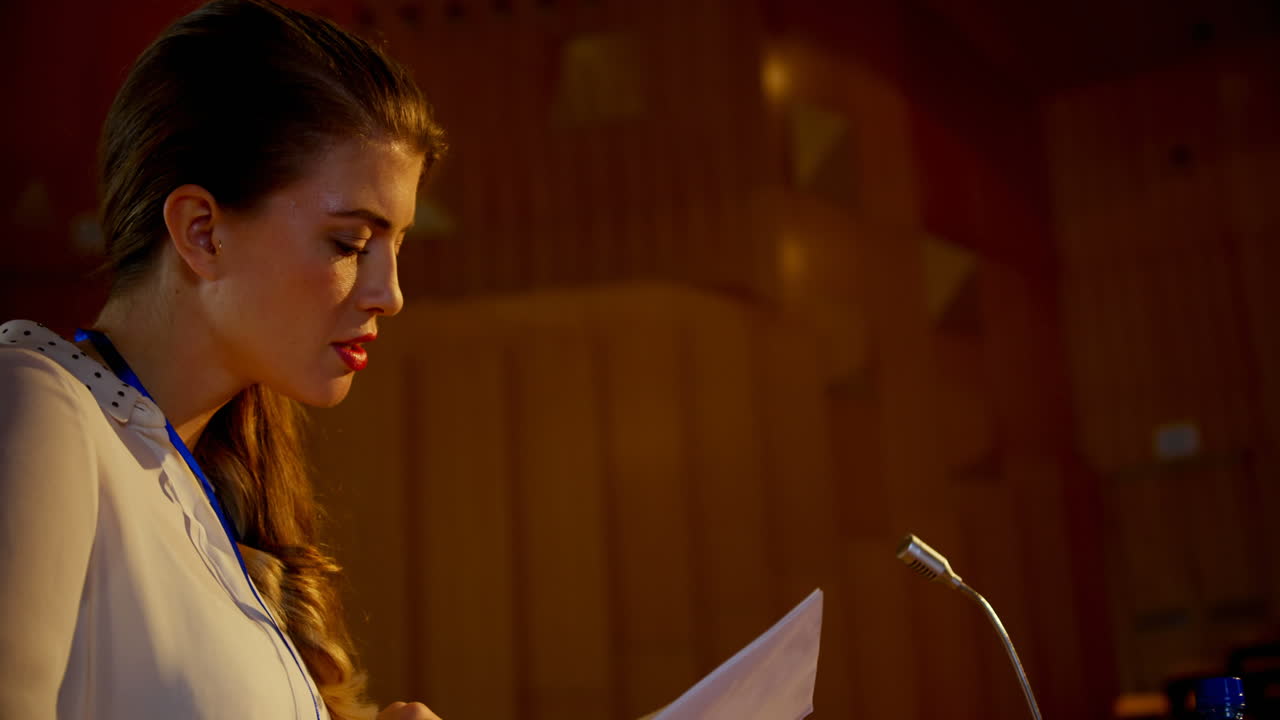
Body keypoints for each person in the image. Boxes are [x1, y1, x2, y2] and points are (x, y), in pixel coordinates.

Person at [0, 1, 447, 718]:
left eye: (397, 246)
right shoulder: (42, 410)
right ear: (202, 232)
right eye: (349, 243)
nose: (390, 295)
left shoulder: (212, 496)